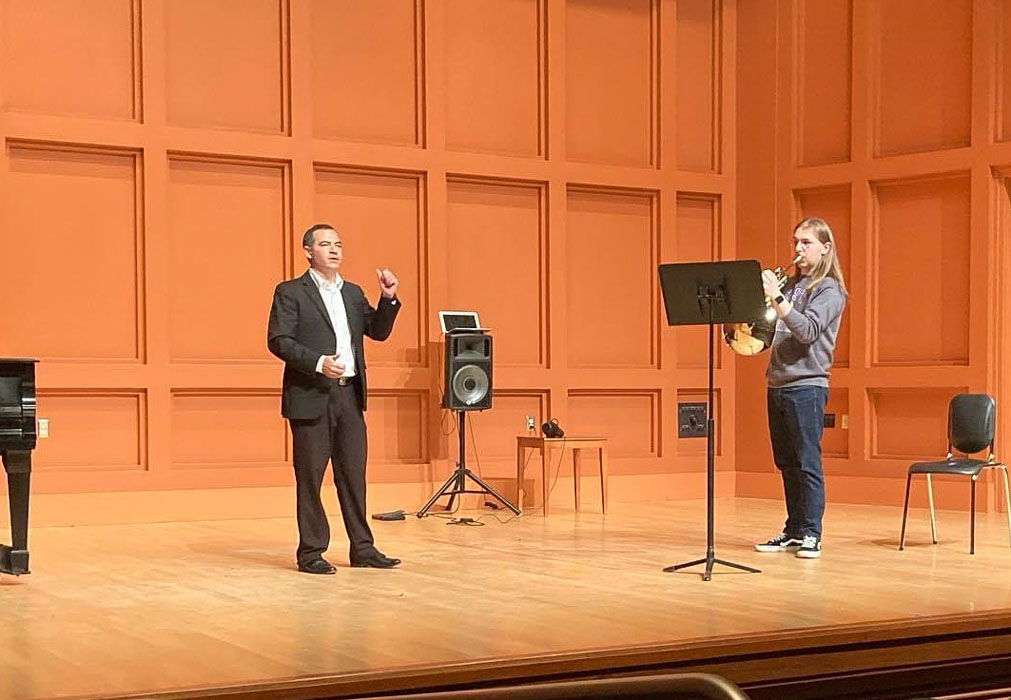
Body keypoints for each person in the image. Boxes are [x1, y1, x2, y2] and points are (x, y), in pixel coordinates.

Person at [267, 223, 402, 574]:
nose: (334, 250)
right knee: (310, 477)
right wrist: (317, 363)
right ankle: (311, 551)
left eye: (338, 244)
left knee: (353, 474)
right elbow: (278, 339)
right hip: (311, 395)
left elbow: (378, 332)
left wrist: (388, 299)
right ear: (308, 251)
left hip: (349, 396)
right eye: (325, 244)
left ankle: (363, 548)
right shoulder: (290, 292)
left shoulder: (354, 293)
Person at [754, 217, 847, 559]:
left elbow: (807, 331)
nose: (798, 249)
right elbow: (773, 332)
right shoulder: (793, 285)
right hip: (777, 383)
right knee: (786, 462)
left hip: (807, 385)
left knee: (807, 461)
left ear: (825, 247)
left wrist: (776, 297)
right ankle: (793, 529)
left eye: (806, 243)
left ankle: (811, 532)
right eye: (796, 242)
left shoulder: (829, 290)